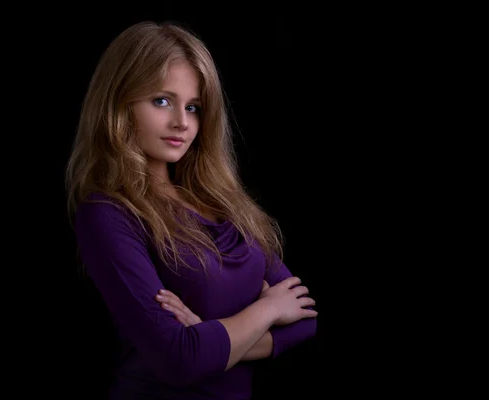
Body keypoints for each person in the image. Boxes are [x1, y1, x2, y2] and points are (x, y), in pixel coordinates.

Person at [65, 20, 318, 399]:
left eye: (194, 106)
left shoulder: (222, 203)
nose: (182, 123)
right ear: (119, 102)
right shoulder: (107, 213)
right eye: (161, 101)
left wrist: (207, 334)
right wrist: (265, 311)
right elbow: (179, 359)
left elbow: (302, 321)